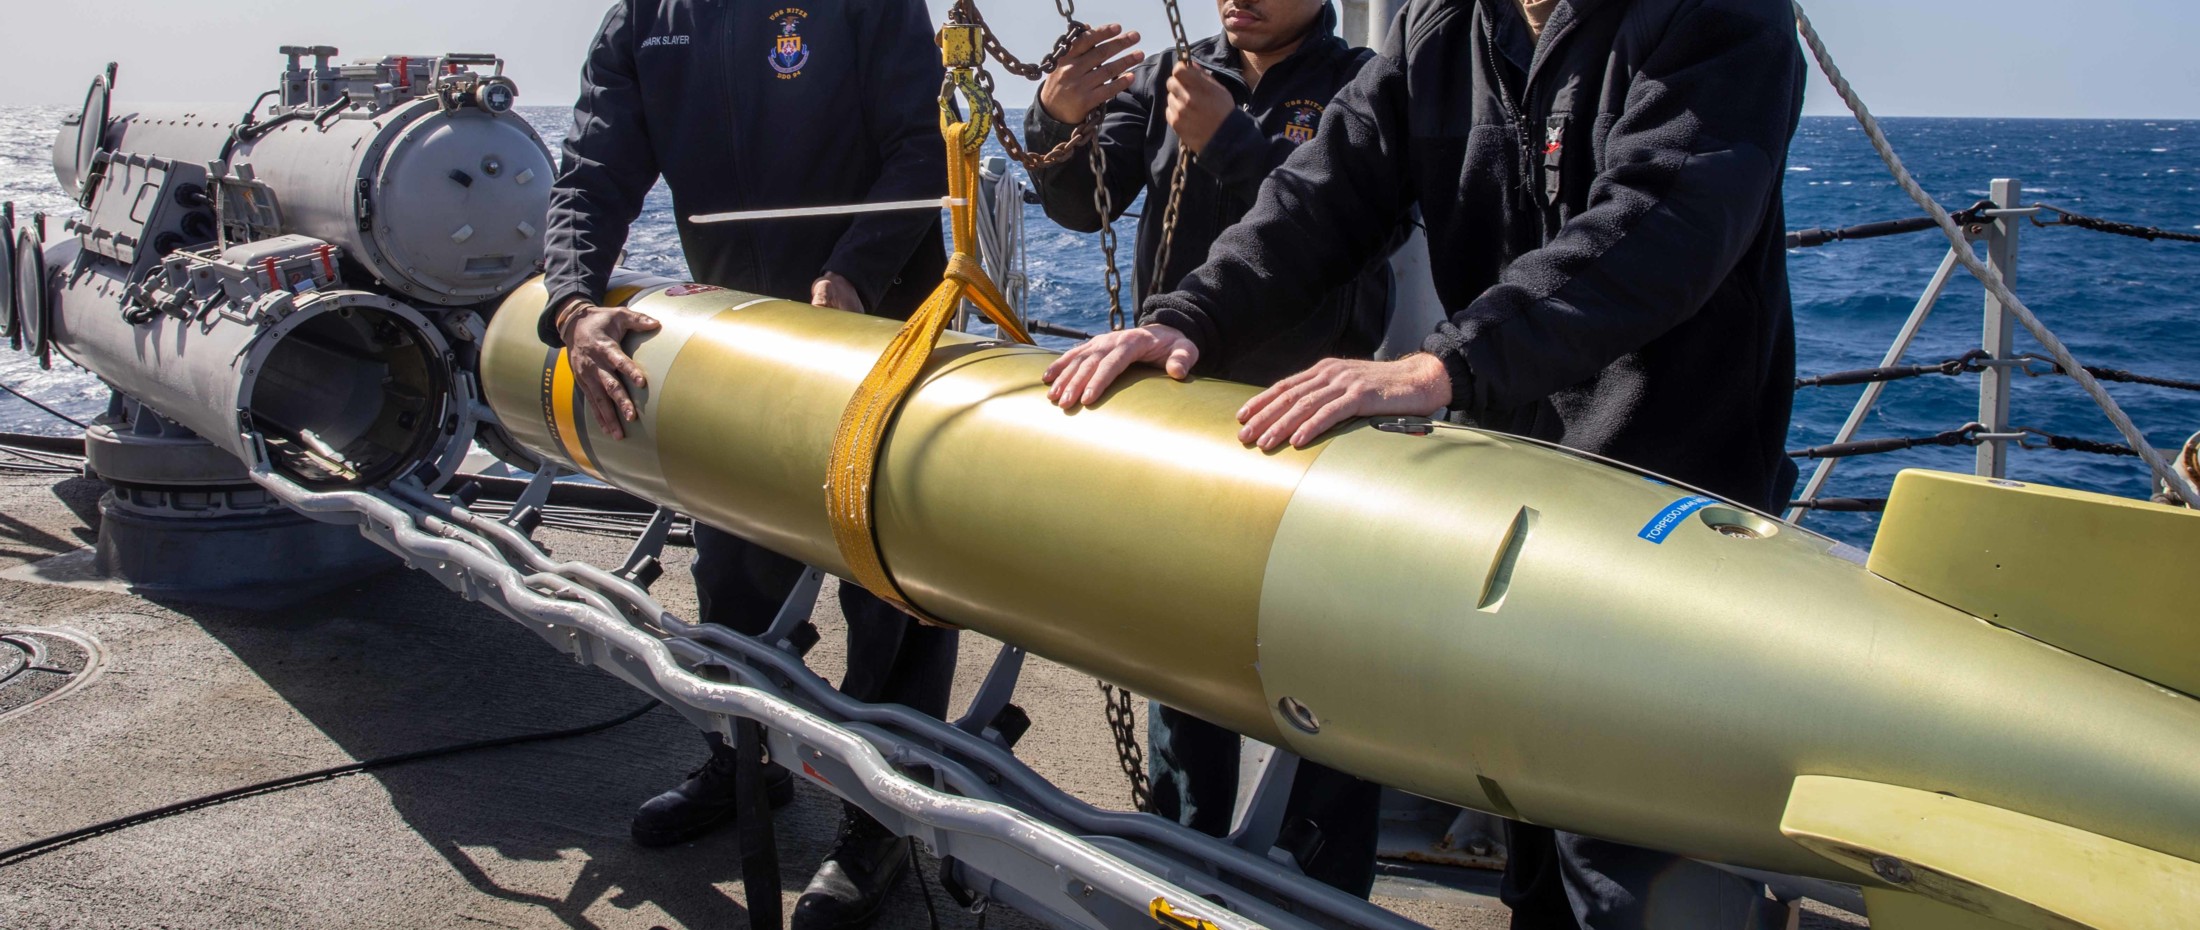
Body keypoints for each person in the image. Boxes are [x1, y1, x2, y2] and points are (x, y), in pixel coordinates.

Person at [1042, 0, 1806, 926]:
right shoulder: (1445, 24)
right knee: (1538, 839)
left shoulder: (1717, 17)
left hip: (1670, 516)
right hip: (1520, 503)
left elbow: (1664, 219)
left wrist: (1448, 362)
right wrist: (1189, 317)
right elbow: (1323, 193)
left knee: (1639, 870)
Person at [540, 2, 956, 927]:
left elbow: (921, 147)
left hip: (873, 326)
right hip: (738, 342)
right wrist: (573, 303)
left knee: (890, 589)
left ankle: (881, 817)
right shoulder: (645, 17)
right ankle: (743, 762)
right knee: (729, 565)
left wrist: (854, 269)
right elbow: (594, 172)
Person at [1024, 0, 1391, 897]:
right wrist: (1053, 118)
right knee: (1182, 670)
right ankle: (1182, 868)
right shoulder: (1170, 76)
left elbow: (1358, 232)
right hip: (1184, 421)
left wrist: (1232, 144)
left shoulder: (1361, 84)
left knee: (1326, 683)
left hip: (1308, 433)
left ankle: (1324, 894)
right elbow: (1081, 203)